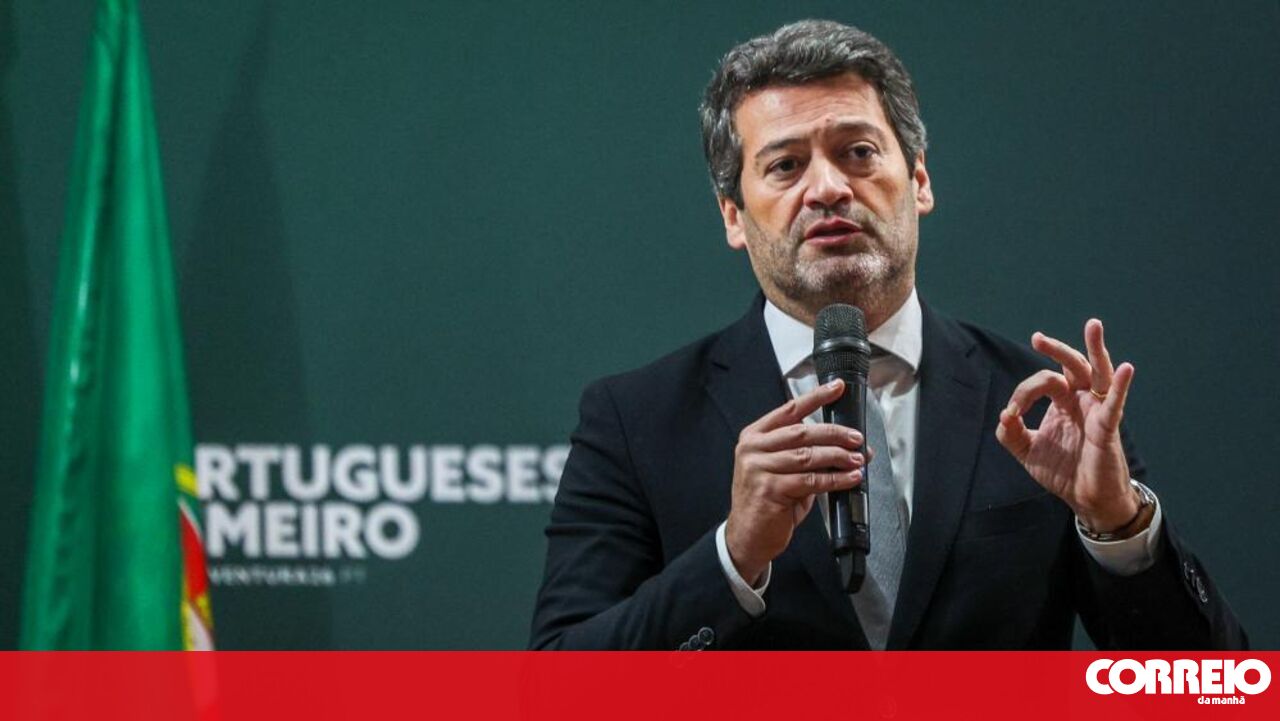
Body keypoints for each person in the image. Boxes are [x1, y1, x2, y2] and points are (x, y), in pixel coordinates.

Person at [529, 19, 1246, 650]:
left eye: (858, 152)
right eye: (785, 165)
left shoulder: (1046, 405)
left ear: (920, 181)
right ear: (733, 217)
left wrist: (1118, 524)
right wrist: (732, 556)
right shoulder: (637, 420)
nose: (828, 188)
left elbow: (1206, 688)